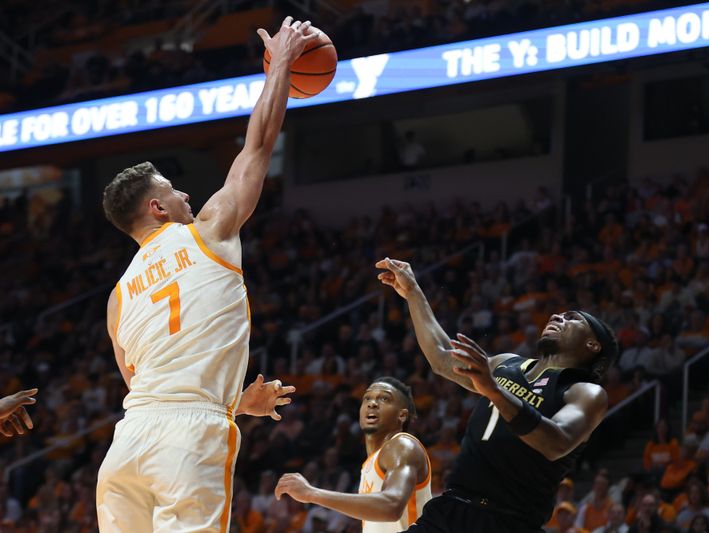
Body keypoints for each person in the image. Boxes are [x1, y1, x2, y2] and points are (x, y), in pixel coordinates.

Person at [95, 17, 317, 532]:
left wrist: (236, 402)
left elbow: (152, 387)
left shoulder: (117, 299)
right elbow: (258, 146)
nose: (187, 196)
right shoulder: (207, 230)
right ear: (158, 207)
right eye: (175, 190)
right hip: (188, 443)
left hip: (127, 444)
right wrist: (281, 63)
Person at [375, 258, 619, 533]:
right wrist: (413, 293)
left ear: (592, 344)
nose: (557, 317)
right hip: (451, 509)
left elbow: (557, 442)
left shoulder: (585, 391)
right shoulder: (507, 364)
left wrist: (494, 390)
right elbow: (442, 359)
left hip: (508, 521)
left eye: (571, 318)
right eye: (559, 314)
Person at [274, 377, 431, 533]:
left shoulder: (403, 445)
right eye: (367, 398)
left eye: (384, 398)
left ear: (402, 415)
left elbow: (391, 506)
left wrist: (311, 493)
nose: (372, 403)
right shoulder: (370, 463)